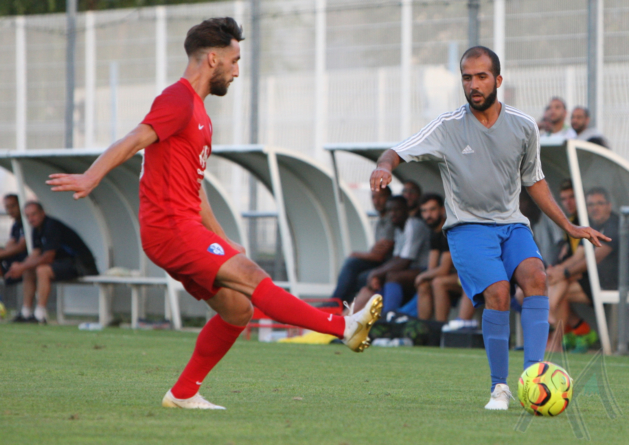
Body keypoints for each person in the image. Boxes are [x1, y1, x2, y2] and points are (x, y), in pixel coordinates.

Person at [47, 17, 382, 410]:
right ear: (212, 59)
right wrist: (91, 176)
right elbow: (134, 138)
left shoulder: (200, 114)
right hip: (170, 229)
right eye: (234, 60)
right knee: (253, 277)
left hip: (182, 228)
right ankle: (342, 326)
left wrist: (222, 239)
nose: (237, 71)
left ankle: (184, 393)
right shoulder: (178, 99)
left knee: (238, 310)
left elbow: (195, 186)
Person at [369, 46, 608, 410]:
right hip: (468, 229)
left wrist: (569, 225)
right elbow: (397, 151)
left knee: (536, 277)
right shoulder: (447, 126)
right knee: (498, 292)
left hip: (512, 225)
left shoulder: (524, 126)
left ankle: (533, 380)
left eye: (482, 77)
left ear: (498, 80)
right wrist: (383, 167)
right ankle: (499, 388)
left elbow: (536, 182)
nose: (474, 84)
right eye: (467, 77)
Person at [547, 187, 618, 353]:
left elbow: (594, 259)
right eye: (591, 204)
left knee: (561, 285)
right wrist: (557, 271)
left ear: (609, 205)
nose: (595, 207)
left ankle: (558, 334)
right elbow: (578, 257)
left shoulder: (614, 224)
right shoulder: (590, 225)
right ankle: (573, 334)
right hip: (592, 280)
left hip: (612, 283)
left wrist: (564, 273)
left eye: (599, 203)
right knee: (559, 284)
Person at [8, 202, 98, 324]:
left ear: (42, 213)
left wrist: (22, 266)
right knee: (29, 270)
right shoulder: (36, 230)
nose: (31, 219)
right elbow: (35, 254)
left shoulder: (51, 226)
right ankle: (26, 312)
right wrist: (19, 267)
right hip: (64, 263)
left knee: (42, 270)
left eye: (34, 214)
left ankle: (40, 315)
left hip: (80, 265)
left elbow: (48, 257)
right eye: (27, 216)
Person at [350, 195, 430, 313]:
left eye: (396, 210)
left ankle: (389, 315)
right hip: (412, 269)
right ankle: (363, 316)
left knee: (392, 276)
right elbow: (396, 258)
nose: (392, 214)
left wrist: (375, 273)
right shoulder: (398, 228)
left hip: (426, 269)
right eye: (389, 210)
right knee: (376, 279)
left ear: (406, 210)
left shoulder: (413, 225)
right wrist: (376, 274)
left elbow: (404, 261)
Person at [330, 186, 394, 305]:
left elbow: (379, 256)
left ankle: (336, 302)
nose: (376, 201)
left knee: (353, 263)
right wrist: (373, 252)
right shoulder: (380, 221)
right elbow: (376, 251)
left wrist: (356, 253)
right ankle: (341, 305)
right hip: (381, 263)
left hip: (389, 264)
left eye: (381, 196)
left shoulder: (392, 220)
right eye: (373, 197)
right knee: (355, 268)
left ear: (389, 198)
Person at [414, 193, 460, 322]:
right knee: (424, 284)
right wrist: (424, 277)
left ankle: (439, 329)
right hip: (454, 276)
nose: (428, 215)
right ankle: (423, 329)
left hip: (469, 276)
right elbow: (432, 268)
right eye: (424, 211)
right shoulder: (433, 232)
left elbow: (443, 270)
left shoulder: (449, 229)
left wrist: (421, 276)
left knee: (438, 282)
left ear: (442, 210)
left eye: (432, 209)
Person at [0, 194, 28, 285]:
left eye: (13, 206)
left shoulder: (28, 222)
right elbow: (10, 244)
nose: (10, 210)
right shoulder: (16, 224)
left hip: (26, 260)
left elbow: (21, 246)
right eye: (7, 207)